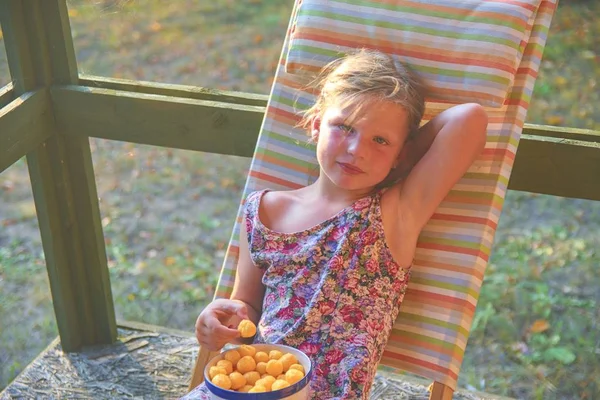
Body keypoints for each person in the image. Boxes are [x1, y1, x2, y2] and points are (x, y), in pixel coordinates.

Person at [187, 49, 487, 399]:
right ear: (316, 125)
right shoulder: (264, 210)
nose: (357, 150)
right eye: (345, 127)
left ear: (402, 153)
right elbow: (245, 309)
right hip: (249, 385)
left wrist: (396, 161)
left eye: (379, 140)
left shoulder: (394, 213)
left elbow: (470, 119)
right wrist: (220, 323)